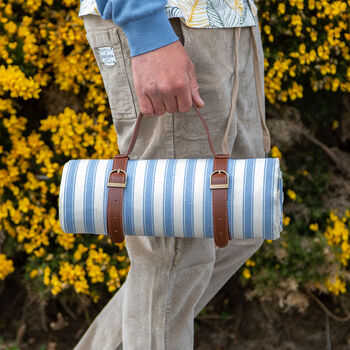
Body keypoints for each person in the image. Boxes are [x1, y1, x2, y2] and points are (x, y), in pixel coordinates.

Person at [75, 0, 271, 349]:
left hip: (228, 19)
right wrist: (145, 29)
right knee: (173, 249)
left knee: (244, 218)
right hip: (170, 22)